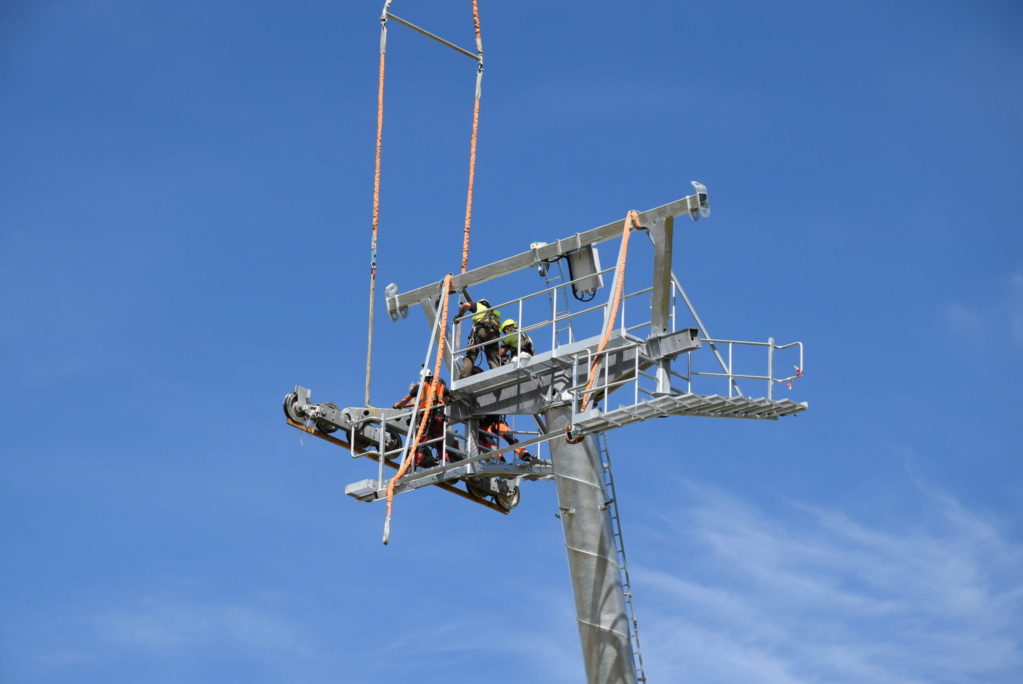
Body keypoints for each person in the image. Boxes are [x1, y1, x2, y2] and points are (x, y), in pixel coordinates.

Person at [392, 368, 453, 469]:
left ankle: (413, 466)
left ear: (422, 378)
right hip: (440, 418)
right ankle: (446, 463)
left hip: (427, 418)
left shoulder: (419, 387)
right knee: (440, 442)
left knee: (421, 442)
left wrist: (398, 405)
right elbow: (451, 396)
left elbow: (406, 399)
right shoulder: (441, 386)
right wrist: (452, 400)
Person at [456, 297, 502, 375]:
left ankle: (464, 376)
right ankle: (497, 375)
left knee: (471, 355)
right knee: (493, 357)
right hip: (493, 334)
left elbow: (466, 305)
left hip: (481, 330)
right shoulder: (493, 314)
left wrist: (460, 315)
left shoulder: (479, 305)